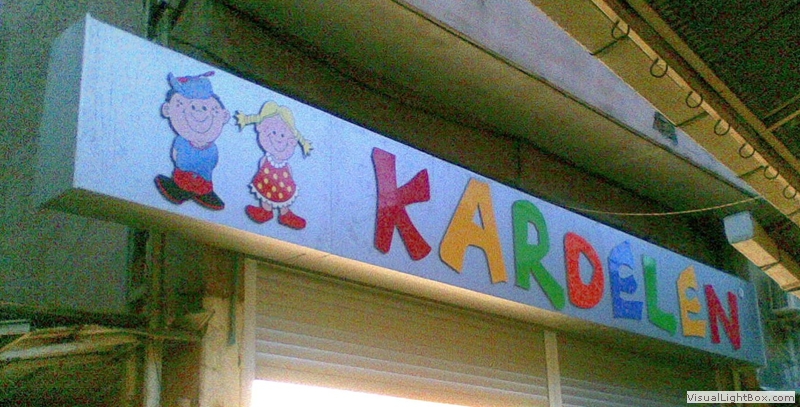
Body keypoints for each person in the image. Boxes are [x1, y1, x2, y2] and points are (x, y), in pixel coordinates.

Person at [154, 71, 230, 210]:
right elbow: (176, 155)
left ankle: (202, 193)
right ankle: (184, 190)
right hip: (181, 178)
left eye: (209, 108)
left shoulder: (212, 148)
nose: (199, 111)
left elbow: (178, 155)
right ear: (167, 109)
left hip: (204, 182)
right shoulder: (182, 141)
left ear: (224, 116)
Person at [236, 101, 312, 229]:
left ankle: (285, 213)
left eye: (282, 135)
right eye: (273, 133)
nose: (278, 138)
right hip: (267, 182)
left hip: (284, 185)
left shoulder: (286, 164)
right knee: (265, 193)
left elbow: (289, 173)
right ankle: (266, 211)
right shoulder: (265, 160)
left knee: (285, 197)